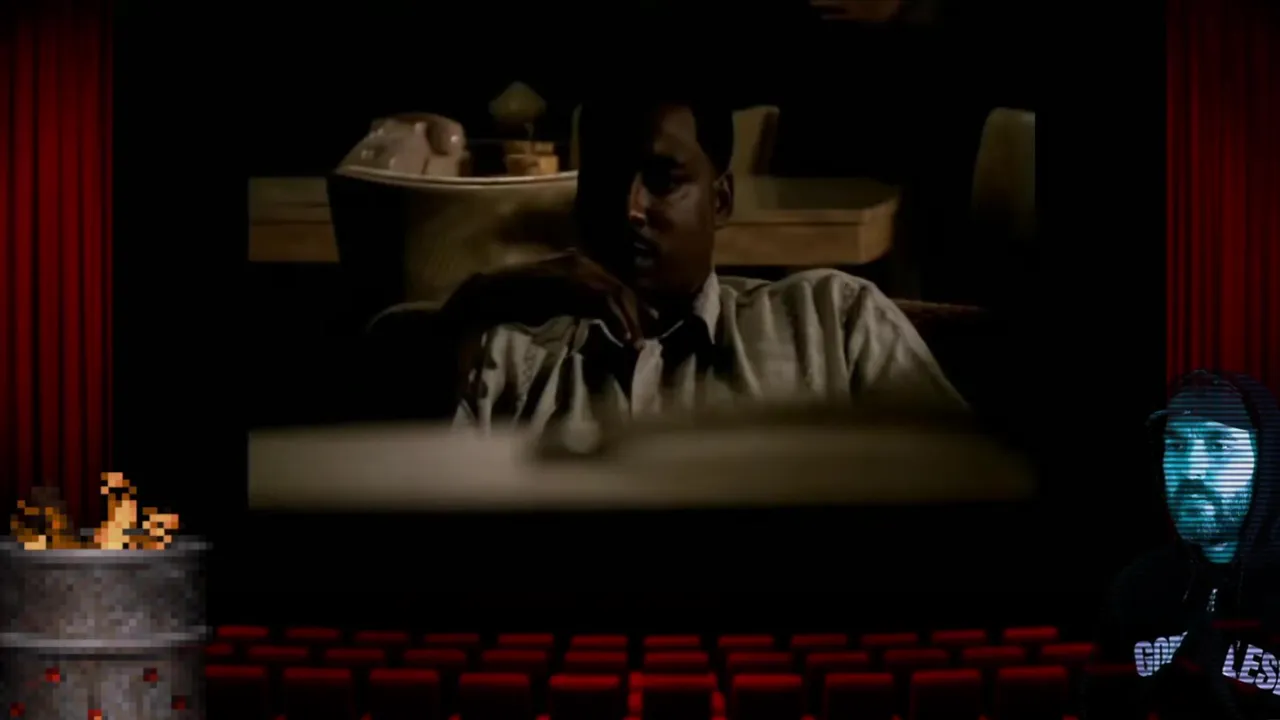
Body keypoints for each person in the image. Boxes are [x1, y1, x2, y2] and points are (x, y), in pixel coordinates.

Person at [423, 77, 963, 433]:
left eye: (663, 180)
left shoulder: (834, 323)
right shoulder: (513, 357)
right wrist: (487, 295)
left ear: (720, 200)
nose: (630, 208)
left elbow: (962, 486)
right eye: (607, 180)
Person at [1083, 369, 1280, 720]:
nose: (1191, 469)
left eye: (1219, 446)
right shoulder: (1136, 589)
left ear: (1265, 461)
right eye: (1176, 445)